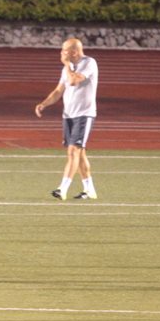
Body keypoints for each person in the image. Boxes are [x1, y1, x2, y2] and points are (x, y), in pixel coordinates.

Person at [34, 37, 99, 201]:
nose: (61, 53)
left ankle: (62, 189)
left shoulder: (88, 63)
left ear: (74, 52)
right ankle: (89, 189)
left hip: (84, 114)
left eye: (65, 50)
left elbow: (73, 81)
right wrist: (44, 104)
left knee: (73, 151)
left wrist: (67, 65)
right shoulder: (67, 68)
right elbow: (59, 90)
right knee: (80, 154)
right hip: (68, 115)